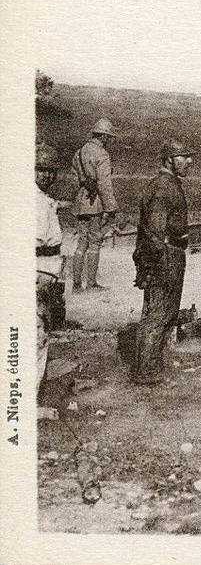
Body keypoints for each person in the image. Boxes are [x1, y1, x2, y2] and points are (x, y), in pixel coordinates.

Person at [131, 139, 194, 385]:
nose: (189, 161)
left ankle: (151, 367)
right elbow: (155, 231)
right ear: (169, 159)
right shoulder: (162, 188)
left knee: (163, 313)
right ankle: (146, 372)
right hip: (164, 256)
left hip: (167, 254)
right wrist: (156, 264)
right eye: (183, 157)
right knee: (158, 314)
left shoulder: (167, 184)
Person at [71, 118, 119, 291]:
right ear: (103, 136)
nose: (110, 140)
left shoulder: (79, 152)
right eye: (109, 137)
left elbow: (75, 179)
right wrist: (111, 208)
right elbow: (104, 184)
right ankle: (91, 283)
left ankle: (76, 284)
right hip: (95, 203)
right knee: (95, 243)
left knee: (81, 243)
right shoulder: (102, 154)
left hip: (81, 201)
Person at [36, 142, 65, 399]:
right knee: (36, 333)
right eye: (41, 170)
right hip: (37, 269)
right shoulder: (30, 199)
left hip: (47, 271)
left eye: (51, 171)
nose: (47, 175)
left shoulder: (44, 199)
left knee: (43, 330)